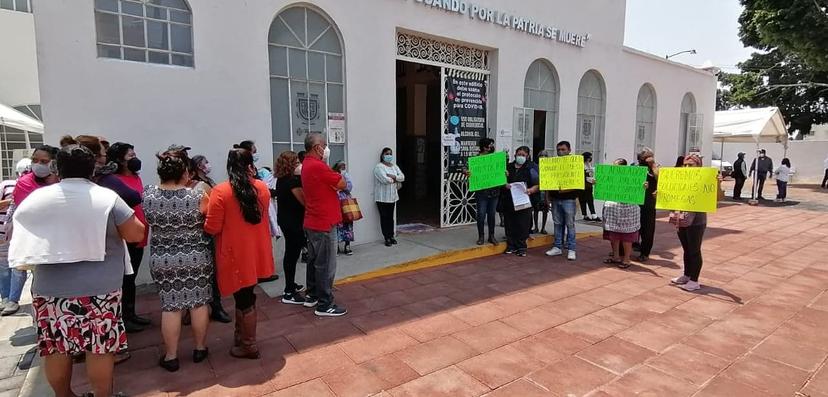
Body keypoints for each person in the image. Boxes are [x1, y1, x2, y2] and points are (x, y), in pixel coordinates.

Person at [10, 145, 145, 397]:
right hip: (100, 287)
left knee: (56, 347)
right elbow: (136, 232)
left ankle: (64, 395)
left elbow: (19, 232)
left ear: (57, 169)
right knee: (99, 346)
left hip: (50, 288)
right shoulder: (105, 197)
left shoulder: (37, 198)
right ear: (92, 168)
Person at [143, 150, 215, 372]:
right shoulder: (197, 196)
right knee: (199, 304)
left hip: (163, 259)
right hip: (195, 257)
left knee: (170, 307)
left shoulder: (148, 194)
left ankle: (171, 355)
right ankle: (200, 348)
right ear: (184, 173)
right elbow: (209, 219)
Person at [204, 148, 275, 359]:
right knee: (247, 296)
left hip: (234, 255)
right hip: (256, 253)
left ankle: (249, 344)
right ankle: (241, 336)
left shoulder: (221, 191)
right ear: (250, 165)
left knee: (244, 299)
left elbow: (212, 228)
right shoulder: (262, 188)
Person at [107, 142, 152, 333]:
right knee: (125, 278)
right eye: (129, 155)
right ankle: (123, 317)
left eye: (134, 154)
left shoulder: (135, 177)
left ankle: (131, 313)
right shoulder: (113, 180)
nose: (134, 158)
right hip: (126, 235)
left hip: (140, 235)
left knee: (131, 277)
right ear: (119, 159)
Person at [302, 132, 348, 316]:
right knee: (326, 264)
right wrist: (335, 181)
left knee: (314, 261)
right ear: (317, 147)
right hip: (323, 222)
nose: (326, 148)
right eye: (324, 144)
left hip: (314, 220)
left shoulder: (307, 164)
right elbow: (342, 183)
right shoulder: (318, 166)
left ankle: (312, 295)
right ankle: (325, 303)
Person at [187, 155, 232, 323]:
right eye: (204, 162)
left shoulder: (207, 181)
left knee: (212, 271)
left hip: (209, 231)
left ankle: (216, 306)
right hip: (200, 232)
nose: (207, 165)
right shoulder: (196, 185)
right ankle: (195, 309)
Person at [670, 154, 709, 292]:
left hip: (697, 221)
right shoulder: (680, 180)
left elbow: (716, 197)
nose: (687, 167)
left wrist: (717, 183)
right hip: (681, 219)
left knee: (694, 250)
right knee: (686, 249)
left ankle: (694, 280)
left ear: (698, 166)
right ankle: (687, 275)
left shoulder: (705, 180)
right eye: (685, 165)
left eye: (690, 165)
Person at [0, 159, 31, 316]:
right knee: (4, 267)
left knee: (19, 267)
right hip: (5, 231)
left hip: (23, 233)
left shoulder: (34, 186)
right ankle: (5, 298)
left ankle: (13, 300)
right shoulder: (6, 185)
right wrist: (10, 200)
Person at [601, 158, 645, 269]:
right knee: (613, 235)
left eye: (617, 166)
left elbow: (639, 188)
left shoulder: (632, 178)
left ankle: (626, 259)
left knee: (627, 237)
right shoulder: (610, 178)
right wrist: (597, 183)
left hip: (628, 211)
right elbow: (602, 187)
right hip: (613, 211)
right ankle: (615, 256)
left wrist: (643, 186)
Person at [275, 151, 306, 305]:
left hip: (286, 220)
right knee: (292, 254)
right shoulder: (292, 181)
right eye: (296, 161)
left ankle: (291, 284)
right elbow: (303, 200)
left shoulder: (282, 179)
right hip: (293, 221)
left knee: (291, 253)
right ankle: (289, 291)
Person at [545, 141, 582, 261]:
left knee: (570, 224)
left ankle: (571, 249)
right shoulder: (553, 164)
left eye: (563, 149)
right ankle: (557, 247)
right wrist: (547, 197)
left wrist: (565, 190)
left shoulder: (575, 164)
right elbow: (547, 181)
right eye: (558, 150)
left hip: (569, 199)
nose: (560, 152)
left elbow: (579, 183)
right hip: (555, 199)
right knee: (557, 223)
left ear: (569, 150)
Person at [501, 146, 539, 257]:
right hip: (509, 200)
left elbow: (538, 184)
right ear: (515, 155)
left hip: (524, 200)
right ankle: (511, 245)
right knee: (509, 224)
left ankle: (521, 247)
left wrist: (531, 190)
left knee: (522, 224)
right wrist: (504, 184)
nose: (520, 157)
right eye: (519, 154)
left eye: (523, 155)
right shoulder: (508, 167)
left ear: (527, 156)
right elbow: (500, 181)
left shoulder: (531, 168)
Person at [470, 139, 501, 244]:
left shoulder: (495, 159)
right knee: (481, 215)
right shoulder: (476, 160)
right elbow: (466, 169)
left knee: (492, 215)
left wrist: (504, 173)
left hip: (494, 192)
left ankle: (491, 236)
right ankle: (481, 236)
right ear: (485, 147)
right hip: (482, 193)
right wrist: (467, 172)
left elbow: (501, 171)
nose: (492, 147)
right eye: (490, 145)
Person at [374, 147, 405, 247]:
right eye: (387, 154)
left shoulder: (394, 166)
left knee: (390, 218)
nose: (389, 156)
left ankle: (391, 236)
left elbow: (402, 177)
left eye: (390, 154)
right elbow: (385, 180)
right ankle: (386, 237)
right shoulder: (379, 167)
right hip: (382, 198)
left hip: (392, 197)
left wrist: (394, 177)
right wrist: (395, 179)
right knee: (384, 217)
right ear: (383, 155)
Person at [636, 148, 659, 262]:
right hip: (635, 202)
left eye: (651, 156)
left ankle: (645, 252)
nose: (650, 158)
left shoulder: (655, 168)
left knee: (648, 228)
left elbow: (661, 179)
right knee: (633, 226)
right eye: (647, 156)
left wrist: (653, 165)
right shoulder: (635, 167)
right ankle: (633, 244)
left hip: (649, 203)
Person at [333, 161, 355, 255]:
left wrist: (341, 186)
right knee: (337, 224)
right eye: (341, 166)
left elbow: (349, 187)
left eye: (344, 166)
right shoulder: (333, 174)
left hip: (346, 201)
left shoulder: (346, 175)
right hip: (335, 202)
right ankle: (336, 247)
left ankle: (347, 245)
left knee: (348, 222)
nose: (343, 167)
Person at [532, 150, 550, 235]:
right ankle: (536, 227)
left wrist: (548, 197)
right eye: (541, 156)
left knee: (545, 211)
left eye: (545, 155)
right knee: (535, 210)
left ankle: (543, 228)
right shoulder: (534, 167)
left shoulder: (549, 168)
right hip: (536, 191)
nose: (543, 157)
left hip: (545, 192)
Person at [580, 152, 600, 222]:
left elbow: (590, 174)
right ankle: (586, 215)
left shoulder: (589, 164)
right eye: (589, 157)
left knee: (590, 200)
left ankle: (592, 214)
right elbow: (584, 176)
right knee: (584, 200)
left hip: (589, 186)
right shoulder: (581, 165)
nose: (590, 159)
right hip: (583, 186)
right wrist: (591, 180)